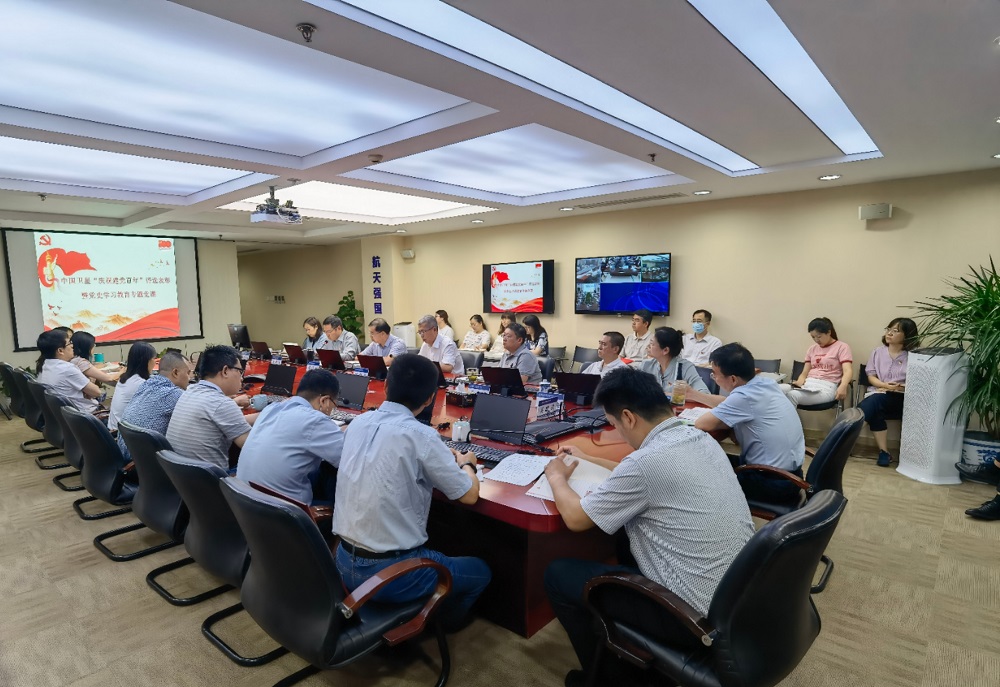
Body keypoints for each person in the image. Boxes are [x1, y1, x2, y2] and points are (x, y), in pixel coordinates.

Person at [543, 368, 754, 687]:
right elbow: (641, 473)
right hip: (736, 596)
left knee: (558, 575)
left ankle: (603, 680)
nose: (618, 431)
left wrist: (556, 477)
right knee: (625, 538)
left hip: (694, 618)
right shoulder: (697, 436)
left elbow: (576, 518)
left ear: (628, 417)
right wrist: (589, 458)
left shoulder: (646, 463)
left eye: (614, 424)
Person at [332, 354, 490, 631]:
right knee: (481, 570)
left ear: (385, 386)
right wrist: (468, 464)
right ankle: (436, 626)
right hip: (393, 576)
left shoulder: (357, 424)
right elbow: (469, 495)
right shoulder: (422, 436)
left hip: (342, 562)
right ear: (430, 399)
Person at [687, 343, 805, 503]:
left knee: (696, 471)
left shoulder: (744, 397)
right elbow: (728, 403)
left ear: (733, 379)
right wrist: (693, 394)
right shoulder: (765, 384)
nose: (713, 378)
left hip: (772, 482)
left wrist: (728, 425)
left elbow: (702, 424)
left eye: (714, 374)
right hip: (791, 475)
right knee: (711, 459)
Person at [236, 369, 345, 506]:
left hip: (243, 500)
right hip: (281, 511)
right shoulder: (315, 420)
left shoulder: (271, 408)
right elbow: (348, 459)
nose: (331, 412)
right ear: (324, 400)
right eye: (333, 406)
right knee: (334, 475)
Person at [166, 345, 258, 471]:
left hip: (181, 476)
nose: (242, 378)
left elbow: (226, 421)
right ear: (225, 371)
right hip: (213, 480)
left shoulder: (189, 391)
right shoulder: (221, 403)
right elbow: (253, 448)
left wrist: (265, 415)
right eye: (239, 371)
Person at [859, 318, 919, 467]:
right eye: (888, 329)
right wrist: (885, 385)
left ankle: (843, 437)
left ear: (907, 335)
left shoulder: (915, 356)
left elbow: (919, 382)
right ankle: (884, 452)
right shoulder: (877, 352)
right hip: (878, 394)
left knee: (875, 402)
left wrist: (900, 387)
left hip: (901, 399)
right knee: (875, 405)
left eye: (895, 331)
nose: (889, 333)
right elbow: (871, 376)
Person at [116, 350, 191, 461]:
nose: (189, 378)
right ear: (175, 372)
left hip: (125, 452)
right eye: (188, 373)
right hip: (141, 462)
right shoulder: (173, 394)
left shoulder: (145, 384)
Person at [781, 317, 853, 408]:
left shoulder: (842, 347)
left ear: (829, 332)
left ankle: (788, 418)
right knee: (774, 389)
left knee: (792, 395)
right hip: (808, 385)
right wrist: (799, 382)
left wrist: (843, 386)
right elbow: (805, 372)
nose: (816, 340)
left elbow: (848, 370)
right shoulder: (812, 349)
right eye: (813, 337)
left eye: (819, 336)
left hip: (827, 387)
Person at [35, 329, 105, 414]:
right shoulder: (67, 369)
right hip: (86, 415)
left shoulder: (46, 365)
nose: (72, 346)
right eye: (69, 343)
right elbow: (96, 392)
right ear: (60, 351)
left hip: (64, 416)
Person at [635, 327, 709, 396]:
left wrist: (670, 395)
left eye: (652, 344)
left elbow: (704, 393)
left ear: (665, 350)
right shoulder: (646, 365)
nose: (648, 346)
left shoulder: (685, 367)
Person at [107, 341, 156, 432]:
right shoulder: (140, 384)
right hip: (121, 434)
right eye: (154, 359)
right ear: (146, 361)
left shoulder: (126, 378)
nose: (155, 362)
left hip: (115, 429)